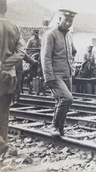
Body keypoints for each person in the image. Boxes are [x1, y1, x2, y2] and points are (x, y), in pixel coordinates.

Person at [41, 9, 77, 137]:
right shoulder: (50, 35)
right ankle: (54, 126)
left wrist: (71, 65)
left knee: (62, 101)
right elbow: (45, 57)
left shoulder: (69, 36)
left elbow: (73, 51)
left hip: (67, 74)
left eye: (70, 21)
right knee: (67, 98)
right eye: (66, 20)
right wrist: (48, 77)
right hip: (55, 74)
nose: (68, 23)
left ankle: (60, 128)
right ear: (59, 19)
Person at [0, 0, 25, 156]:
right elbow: (22, 53)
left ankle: (3, 149)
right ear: (6, 9)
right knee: (3, 115)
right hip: (9, 78)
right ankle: (2, 150)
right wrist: (6, 64)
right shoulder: (14, 27)